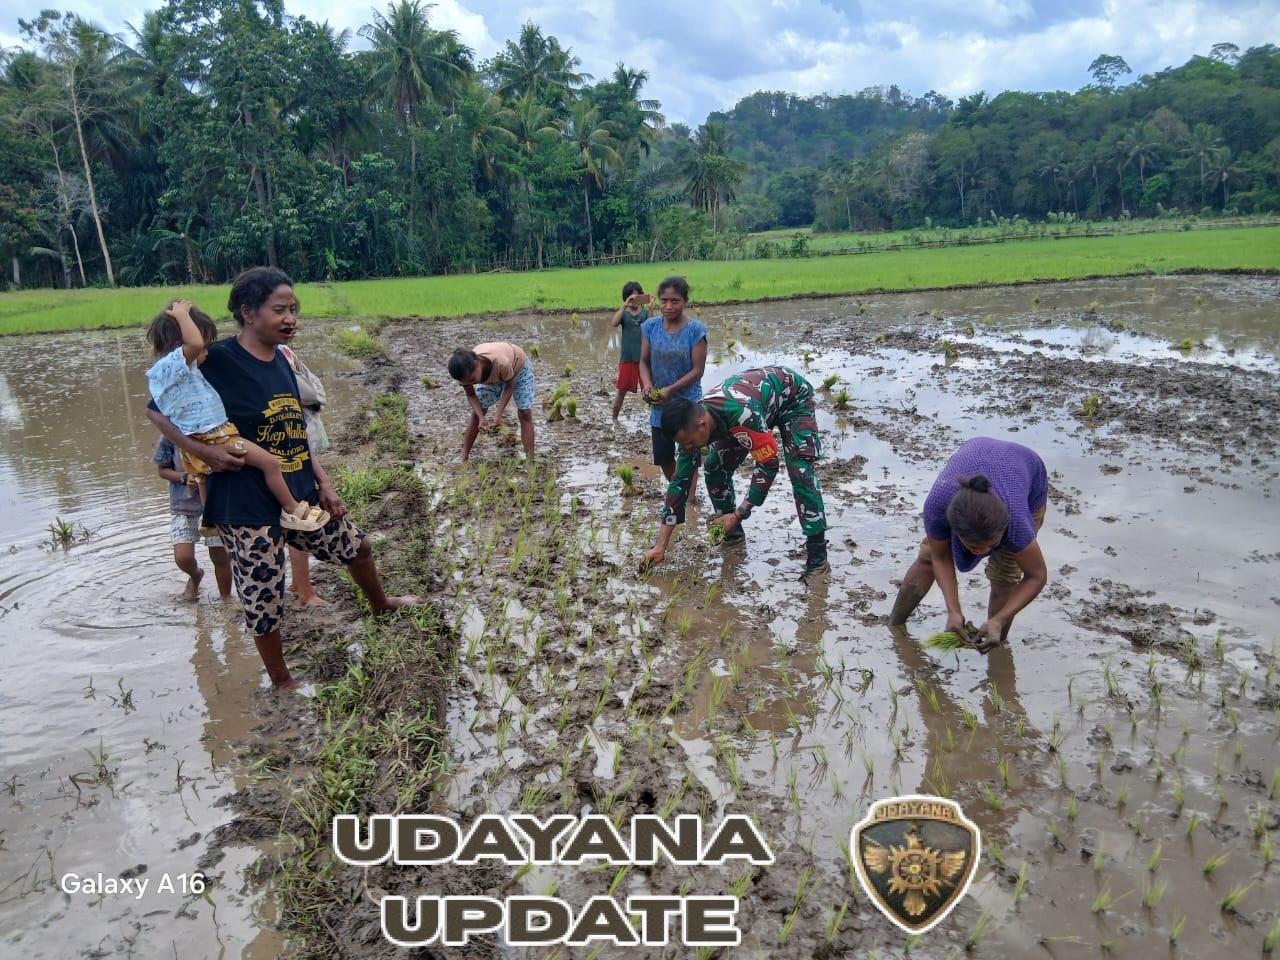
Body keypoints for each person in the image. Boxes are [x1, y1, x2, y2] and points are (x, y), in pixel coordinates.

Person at [146, 267, 422, 690]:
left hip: (298, 492)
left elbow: (294, 429)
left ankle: (381, 605)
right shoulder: (216, 359)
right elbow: (156, 408)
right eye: (280, 309)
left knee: (358, 547)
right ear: (248, 312)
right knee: (263, 595)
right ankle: (281, 681)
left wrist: (323, 481)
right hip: (244, 502)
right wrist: (205, 452)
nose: (290, 317)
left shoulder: (281, 361)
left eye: (293, 309)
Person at [145, 299, 329, 532]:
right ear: (180, 344)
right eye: (203, 346)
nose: (206, 351)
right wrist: (182, 314)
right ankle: (292, 508)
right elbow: (192, 343)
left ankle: (209, 521)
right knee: (270, 463)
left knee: (203, 477)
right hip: (217, 435)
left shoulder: (174, 375)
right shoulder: (174, 367)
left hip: (200, 437)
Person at [643, 366, 830, 579]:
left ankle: (818, 558)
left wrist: (740, 513)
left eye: (689, 442)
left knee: (801, 473)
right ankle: (732, 535)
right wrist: (660, 546)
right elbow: (679, 483)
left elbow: (768, 464)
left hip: (792, 399)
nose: (688, 448)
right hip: (752, 408)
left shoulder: (741, 415)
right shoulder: (692, 431)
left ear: (702, 425)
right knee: (715, 467)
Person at [888, 436, 1049, 653]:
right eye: (974, 547)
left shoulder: (1017, 522)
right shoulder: (938, 506)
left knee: (1004, 576)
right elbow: (941, 557)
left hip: (1027, 476)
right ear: (955, 530)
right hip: (975, 463)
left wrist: (999, 619)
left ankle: (995, 641)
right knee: (928, 557)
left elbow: (1037, 575)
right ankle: (894, 626)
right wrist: (953, 611)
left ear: (1004, 529)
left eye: (990, 545)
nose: (983, 552)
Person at [639, 276, 708, 483]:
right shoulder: (650, 327)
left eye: (675, 301)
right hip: (660, 403)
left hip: (687, 402)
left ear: (684, 301)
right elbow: (643, 361)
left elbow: (698, 370)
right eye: (664, 301)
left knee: (689, 453)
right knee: (663, 456)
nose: (668, 306)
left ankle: (690, 498)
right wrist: (648, 385)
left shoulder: (695, 330)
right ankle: (678, 488)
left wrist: (670, 389)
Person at [279, 342, 330, 608]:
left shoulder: (274, 354)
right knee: (297, 516)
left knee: (293, 516)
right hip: (294, 444)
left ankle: (301, 586)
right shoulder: (280, 352)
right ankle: (303, 589)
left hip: (290, 443)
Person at [152, 436, 232, 600]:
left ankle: (226, 601)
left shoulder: (217, 433)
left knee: (220, 556)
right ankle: (196, 575)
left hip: (215, 503)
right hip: (183, 505)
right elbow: (162, 470)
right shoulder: (169, 435)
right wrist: (183, 477)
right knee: (183, 557)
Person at [448, 342, 535, 461]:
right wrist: (481, 418)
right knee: (477, 413)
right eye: (467, 382)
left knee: (524, 413)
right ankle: (464, 457)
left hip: (518, 368)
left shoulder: (500, 362)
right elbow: (471, 394)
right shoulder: (464, 373)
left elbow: (510, 386)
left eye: (473, 379)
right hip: (493, 377)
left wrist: (498, 415)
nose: (472, 383)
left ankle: (530, 461)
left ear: (477, 364)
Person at [611, 282, 651, 420]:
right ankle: (614, 419)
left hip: (644, 360)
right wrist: (624, 306)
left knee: (648, 391)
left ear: (641, 297)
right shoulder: (624, 314)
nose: (634, 300)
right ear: (626, 298)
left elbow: (651, 328)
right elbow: (614, 323)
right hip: (627, 358)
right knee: (621, 392)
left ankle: (654, 420)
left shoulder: (645, 313)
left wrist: (651, 308)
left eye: (637, 297)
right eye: (630, 297)